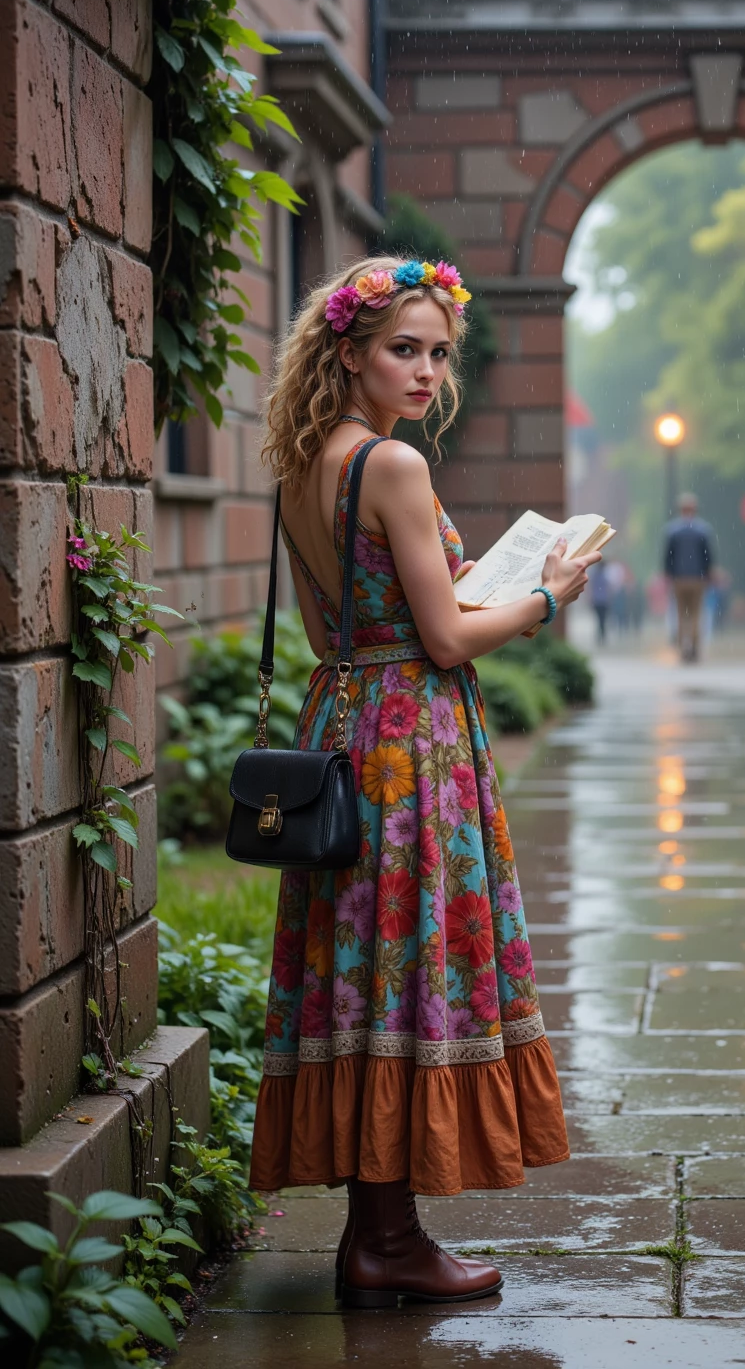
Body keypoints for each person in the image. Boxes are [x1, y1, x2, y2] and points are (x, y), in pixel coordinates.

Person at [252, 256, 599, 1308]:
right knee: (409, 966)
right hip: (415, 747)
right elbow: (446, 638)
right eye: (404, 348)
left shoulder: (303, 464)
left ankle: (380, 1235)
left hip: (344, 723)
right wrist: (543, 598)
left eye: (438, 354)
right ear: (348, 350)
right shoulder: (394, 469)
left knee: (364, 972)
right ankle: (390, 1242)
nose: (426, 371)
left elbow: (331, 633)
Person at [663, 493, 716, 662]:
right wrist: (708, 573)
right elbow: (708, 556)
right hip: (697, 578)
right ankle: (693, 646)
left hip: (679, 578)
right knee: (695, 614)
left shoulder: (672, 530)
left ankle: (682, 646)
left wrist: (669, 573)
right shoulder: (703, 530)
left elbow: (667, 556)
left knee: (680, 614)